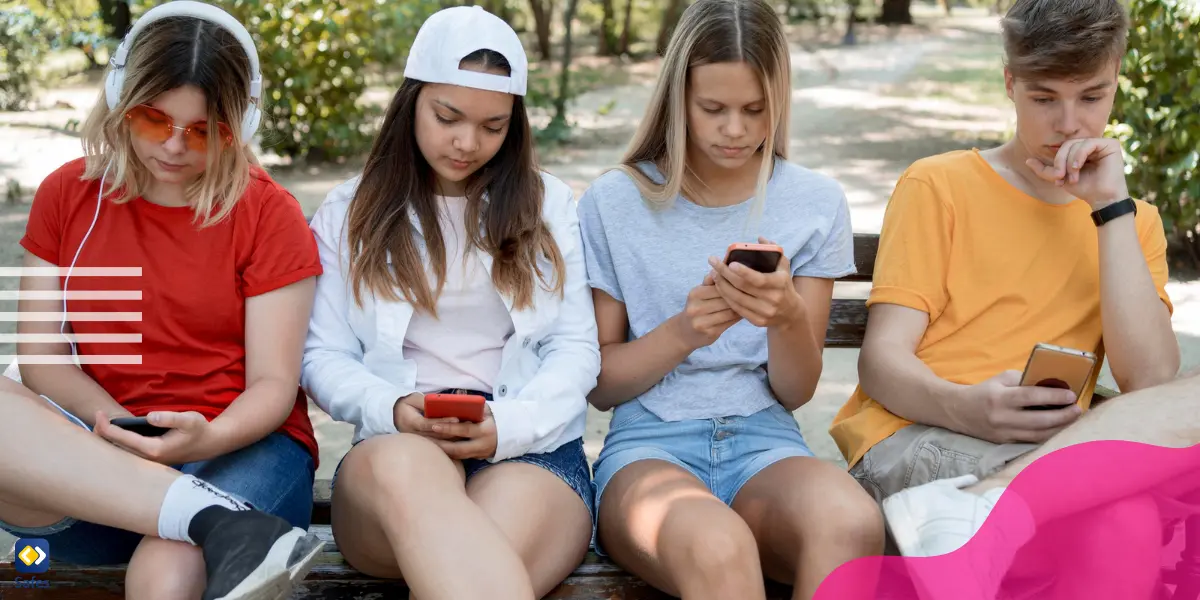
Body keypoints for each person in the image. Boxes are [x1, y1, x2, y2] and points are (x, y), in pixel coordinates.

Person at [831, 0, 1188, 597]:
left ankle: (986, 510)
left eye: (1092, 97)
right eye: (1045, 98)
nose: (1070, 124)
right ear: (1009, 83)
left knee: (1136, 497)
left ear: (1117, 78)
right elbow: (882, 360)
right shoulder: (939, 184)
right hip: (917, 435)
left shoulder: (1131, 221)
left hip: (1048, 450)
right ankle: (972, 513)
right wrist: (965, 407)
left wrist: (1110, 211)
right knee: (1125, 518)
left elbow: (1150, 381)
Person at [0, 2, 325, 598]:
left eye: (205, 131)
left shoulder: (267, 213)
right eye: (154, 120)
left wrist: (202, 440)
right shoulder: (67, 196)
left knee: (169, 563)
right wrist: (122, 435)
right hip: (102, 462)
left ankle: (213, 522)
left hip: (238, 449)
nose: (175, 147)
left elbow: (273, 387)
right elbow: (43, 359)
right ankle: (207, 518)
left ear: (238, 129)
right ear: (121, 100)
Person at [576, 1, 885, 598]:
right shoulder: (615, 202)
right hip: (648, 448)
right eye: (713, 109)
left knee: (851, 524)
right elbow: (599, 384)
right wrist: (684, 332)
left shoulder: (814, 203)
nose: (735, 130)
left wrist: (788, 316)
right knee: (719, 547)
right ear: (676, 100)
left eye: (755, 109)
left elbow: (795, 391)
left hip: (765, 442)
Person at [301, 6, 599, 600]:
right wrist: (392, 408)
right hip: (396, 451)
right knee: (415, 482)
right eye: (448, 117)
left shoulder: (548, 204)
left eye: (494, 126)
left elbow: (576, 348)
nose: (468, 143)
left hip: (529, 447)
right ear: (411, 101)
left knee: (470, 569)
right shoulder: (349, 211)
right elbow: (322, 356)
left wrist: (508, 427)